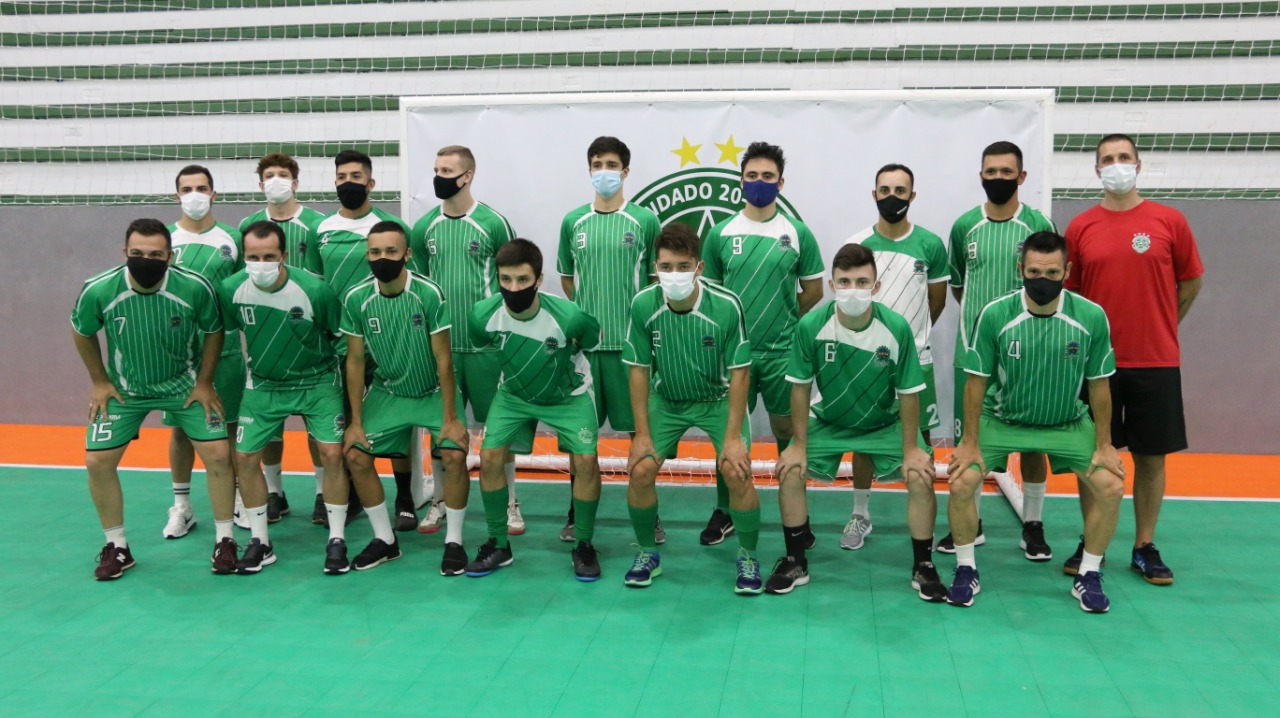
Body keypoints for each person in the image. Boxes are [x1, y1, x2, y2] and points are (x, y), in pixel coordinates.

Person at [946, 231, 1125, 613]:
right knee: (961, 480)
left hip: (1066, 423)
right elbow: (976, 383)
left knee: (1110, 485)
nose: (1041, 278)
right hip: (1004, 418)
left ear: (1067, 271)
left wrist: (1104, 444)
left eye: (1051, 271)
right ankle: (965, 568)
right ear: (1020, 270)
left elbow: (1100, 388)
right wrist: (969, 441)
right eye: (1033, 271)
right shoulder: (995, 314)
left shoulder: (1091, 316)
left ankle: (1088, 574)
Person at [1064, 133, 1204, 585]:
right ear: (1096, 170)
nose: (1116, 164)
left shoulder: (1170, 221)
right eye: (1108, 159)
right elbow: (1074, 298)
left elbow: (1191, 283)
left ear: (1139, 166)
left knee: (1151, 456)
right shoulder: (1081, 227)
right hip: (1097, 365)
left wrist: (1162, 324)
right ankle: (1092, 543)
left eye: (1124, 157)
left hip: (1156, 361)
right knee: (1093, 457)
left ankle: (1144, 545)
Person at [771, 244, 944, 600]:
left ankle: (923, 566)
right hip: (830, 420)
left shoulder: (895, 327)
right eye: (845, 281)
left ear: (876, 286)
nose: (853, 289)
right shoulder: (811, 326)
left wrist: (912, 449)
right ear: (833, 286)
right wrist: (798, 445)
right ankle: (795, 560)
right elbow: (800, 390)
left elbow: (909, 393)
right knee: (789, 469)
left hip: (883, 423)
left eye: (862, 281)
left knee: (921, 474)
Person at [72, 219, 240, 579]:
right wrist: (99, 381)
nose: (145, 259)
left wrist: (205, 383)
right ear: (125, 253)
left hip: (183, 384)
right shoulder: (99, 288)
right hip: (126, 390)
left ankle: (225, 539)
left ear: (170, 255)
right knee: (97, 461)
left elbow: (215, 331)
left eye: (154, 254)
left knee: (219, 454)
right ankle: (117, 547)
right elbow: (82, 330)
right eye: (137, 253)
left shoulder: (195, 287)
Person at [622, 224, 763, 594]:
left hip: (717, 400)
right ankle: (647, 554)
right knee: (639, 469)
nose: (674, 275)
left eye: (683, 266)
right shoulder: (643, 305)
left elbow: (740, 374)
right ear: (655, 267)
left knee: (737, 470)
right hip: (666, 401)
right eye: (666, 267)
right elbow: (637, 372)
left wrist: (732, 438)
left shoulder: (726, 306)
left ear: (699, 268)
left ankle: (748, 556)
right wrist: (641, 435)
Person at [700, 141, 824, 546]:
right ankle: (725, 511)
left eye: (767, 176)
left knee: (788, 431)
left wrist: (786, 319)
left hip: (781, 353)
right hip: (733, 355)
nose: (759, 183)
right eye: (751, 175)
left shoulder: (797, 233)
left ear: (781, 183)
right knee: (729, 434)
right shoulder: (720, 234)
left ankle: (797, 514)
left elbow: (814, 290)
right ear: (740, 181)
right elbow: (712, 295)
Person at [943, 141, 1056, 559]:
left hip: (1027, 355)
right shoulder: (964, 226)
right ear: (980, 175)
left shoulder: (1039, 224)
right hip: (973, 354)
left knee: (1031, 442)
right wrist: (981, 330)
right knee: (968, 443)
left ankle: (1033, 524)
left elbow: (1049, 283)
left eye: (1007, 172)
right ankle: (971, 526)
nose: (998, 179)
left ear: (1022, 177)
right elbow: (959, 285)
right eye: (990, 172)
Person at [465, 239, 604, 581]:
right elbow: (484, 344)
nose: (513, 288)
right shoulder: (482, 315)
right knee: (491, 457)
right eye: (506, 280)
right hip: (513, 395)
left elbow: (592, 341)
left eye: (523, 280)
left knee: (586, 461)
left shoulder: (570, 317)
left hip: (567, 397)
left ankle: (584, 544)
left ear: (539, 280)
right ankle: (498, 544)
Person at [343, 222, 471, 575]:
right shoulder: (357, 298)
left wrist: (450, 418)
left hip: (432, 391)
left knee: (454, 455)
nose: (382, 258)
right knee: (355, 454)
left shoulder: (428, 294)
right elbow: (354, 362)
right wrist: (355, 422)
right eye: (375, 252)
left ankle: (455, 541)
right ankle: (385, 540)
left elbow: (444, 360)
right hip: (388, 391)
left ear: (407, 254)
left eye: (391, 251)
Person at [221, 221, 347, 574]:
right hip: (264, 385)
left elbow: (341, 337)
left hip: (317, 382)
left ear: (284, 256)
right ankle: (261, 541)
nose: (260, 263)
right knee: (244, 458)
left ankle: (336, 539)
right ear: (243, 257)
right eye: (253, 257)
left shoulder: (314, 290)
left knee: (332, 453)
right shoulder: (231, 289)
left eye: (269, 256)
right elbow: (227, 332)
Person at [558, 136, 664, 544]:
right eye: (598, 163)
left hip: (631, 350)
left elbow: (656, 284)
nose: (605, 170)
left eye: (612, 163)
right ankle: (576, 509)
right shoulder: (573, 222)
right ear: (589, 169)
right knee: (580, 441)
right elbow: (568, 280)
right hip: (585, 352)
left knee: (641, 436)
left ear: (625, 171)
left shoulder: (644, 221)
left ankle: (648, 514)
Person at [408, 145, 519, 535]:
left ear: (467, 175)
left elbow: (513, 283)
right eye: (436, 168)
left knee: (498, 429)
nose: (439, 175)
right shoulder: (423, 228)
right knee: (444, 429)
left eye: (448, 170)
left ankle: (508, 503)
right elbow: (418, 286)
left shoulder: (492, 224)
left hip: (488, 348)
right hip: (442, 349)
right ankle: (439, 499)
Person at [842, 163, 949, 552]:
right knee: (864, 440)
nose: (892, 197)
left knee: (920, 442)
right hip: (865, 361)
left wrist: (910, 340)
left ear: (912, 197)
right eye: (885, 189)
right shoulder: (858, 245)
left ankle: (923, 520)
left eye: (900, 191)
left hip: (915, 361)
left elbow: (935, 302)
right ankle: (860, 514)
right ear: (874, 194)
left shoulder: (931, 245)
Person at [315, 149, 414, 529]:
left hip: (386, 343)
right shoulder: (321, 230)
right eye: (341, 177)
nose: (348, 183)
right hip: (341, 343)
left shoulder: (390, 226)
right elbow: (317, 287)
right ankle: (351, 495)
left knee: (397, 422)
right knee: (346, 424)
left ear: (371, 184)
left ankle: (405, 497)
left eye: (356, 176)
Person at [239, 152, 328, 521]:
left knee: (314, 421)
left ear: (296, 182)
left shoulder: (317, 224)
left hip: (309, 336)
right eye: (269, 175)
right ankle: (275, 492)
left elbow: (325, 279)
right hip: (267, 339)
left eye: (283, 174)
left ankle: (324, 493)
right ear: (260, 184)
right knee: (270, 424)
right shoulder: (248, 225)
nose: (276, 180)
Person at [162, 165, 244, 540]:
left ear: (214, 193)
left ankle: (238, 496)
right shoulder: (165, 240)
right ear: (176, 194)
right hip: (178, 355)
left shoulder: (231, 238)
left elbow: (243, 290)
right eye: (186, 188)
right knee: (181, 430)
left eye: (202, 188)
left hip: (224, 348)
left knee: (227, 427)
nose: (194, 194)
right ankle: (182, 506)